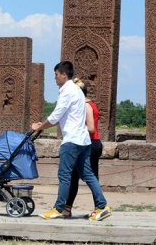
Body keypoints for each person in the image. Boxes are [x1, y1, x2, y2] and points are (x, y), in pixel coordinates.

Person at [31, 61, 111, 221]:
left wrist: (39, 127)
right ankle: (102, 206)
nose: (55, 78)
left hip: (72, 140)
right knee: (88, 174)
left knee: (65, 175)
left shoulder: (67, 91)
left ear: (63, 75)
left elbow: (55, 116)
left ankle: (58, 208)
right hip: (83, 140)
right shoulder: (78, 91)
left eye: (56, 75)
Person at [62, 78, 103, 218]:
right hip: (91, 143)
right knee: (75, 176)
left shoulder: (85, 105)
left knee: (89, 177)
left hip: (89, 143)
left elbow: (91, 128)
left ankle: (99, 207)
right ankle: (68, 207)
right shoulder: (90, 103)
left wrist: (74, 128)